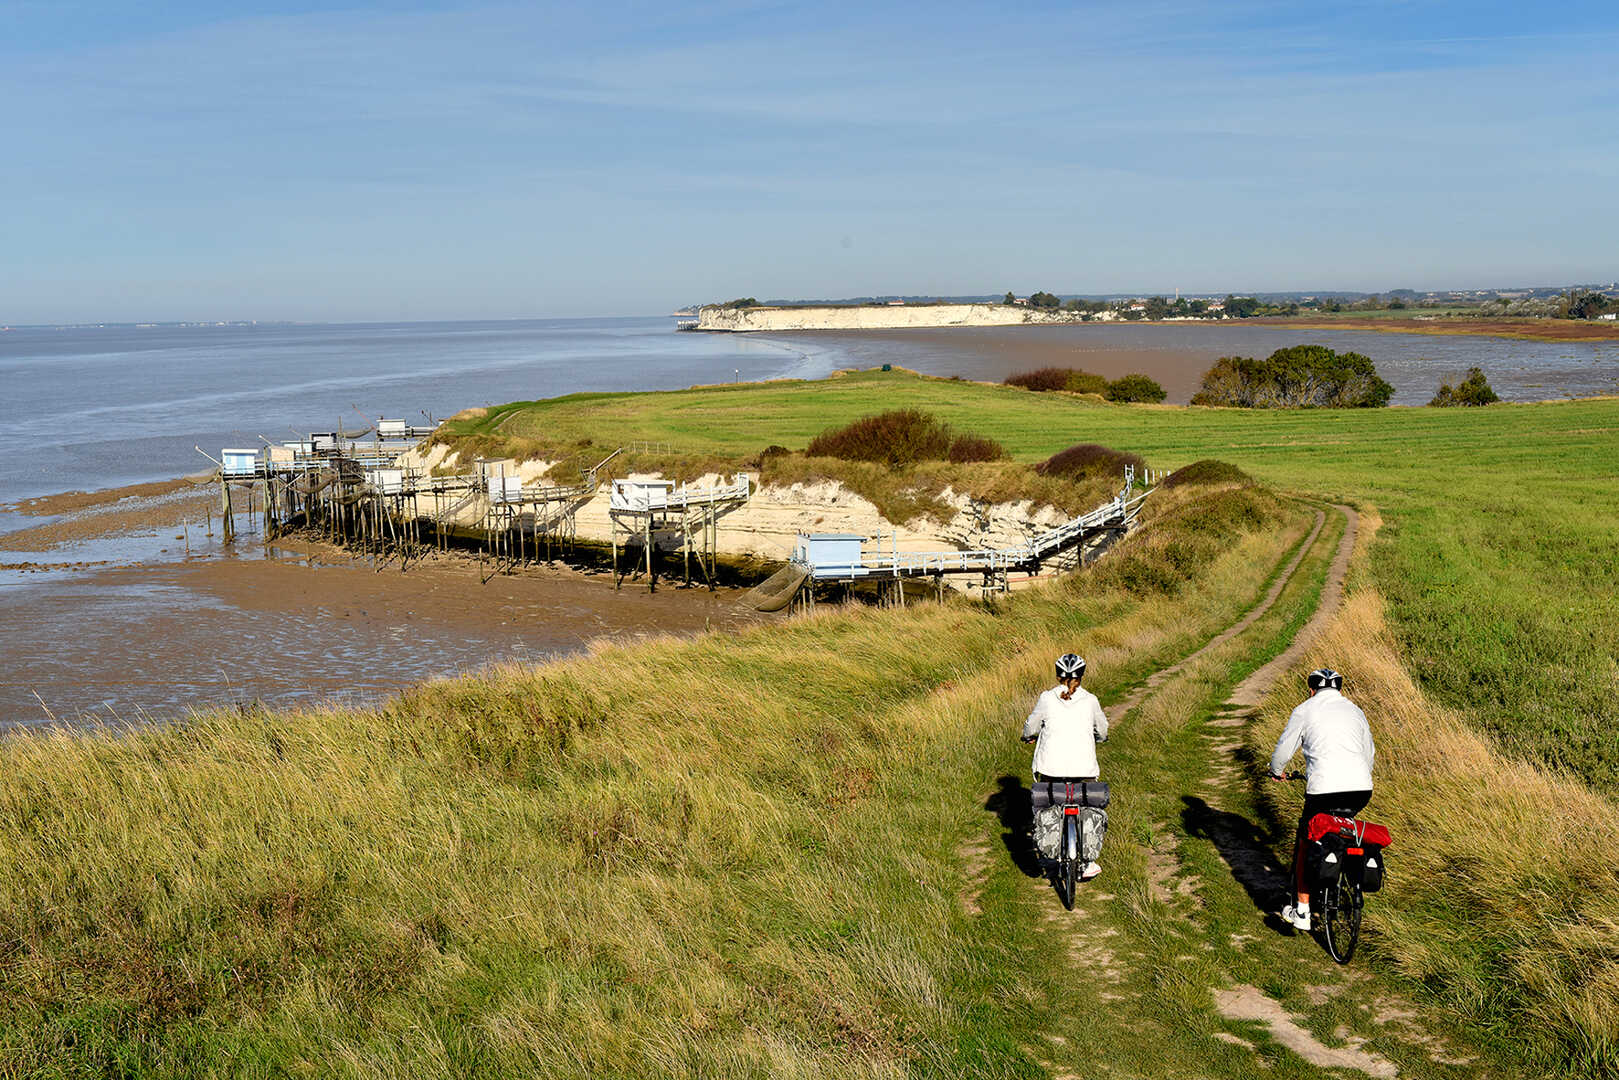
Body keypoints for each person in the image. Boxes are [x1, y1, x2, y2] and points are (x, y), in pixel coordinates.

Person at [1269, 668, 1375, 931]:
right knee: (1345, 828)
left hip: (1324, 790)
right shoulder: (1355, 711)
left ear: (1311, 690)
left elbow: (1284, 748)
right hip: (1361, 788)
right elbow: (1369, 753)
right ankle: (1343, 882)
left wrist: (1276, 771)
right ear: (1339, 689)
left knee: (1307, 839)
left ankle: (1302, 911)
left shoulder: (1305, 709)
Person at [1022, 653, 1109, 879]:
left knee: (1046, 806)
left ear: (1058, 675)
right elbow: (1102, 729)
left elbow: (1032, 725)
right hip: (1084, 768)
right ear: (1081, 675)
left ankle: (1050, 846)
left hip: (1051, 768)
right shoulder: (1091, 700)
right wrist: (1099, 738)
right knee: (1089, 809)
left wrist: (1028, 736)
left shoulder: (1046, 698)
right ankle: (1088, 860)